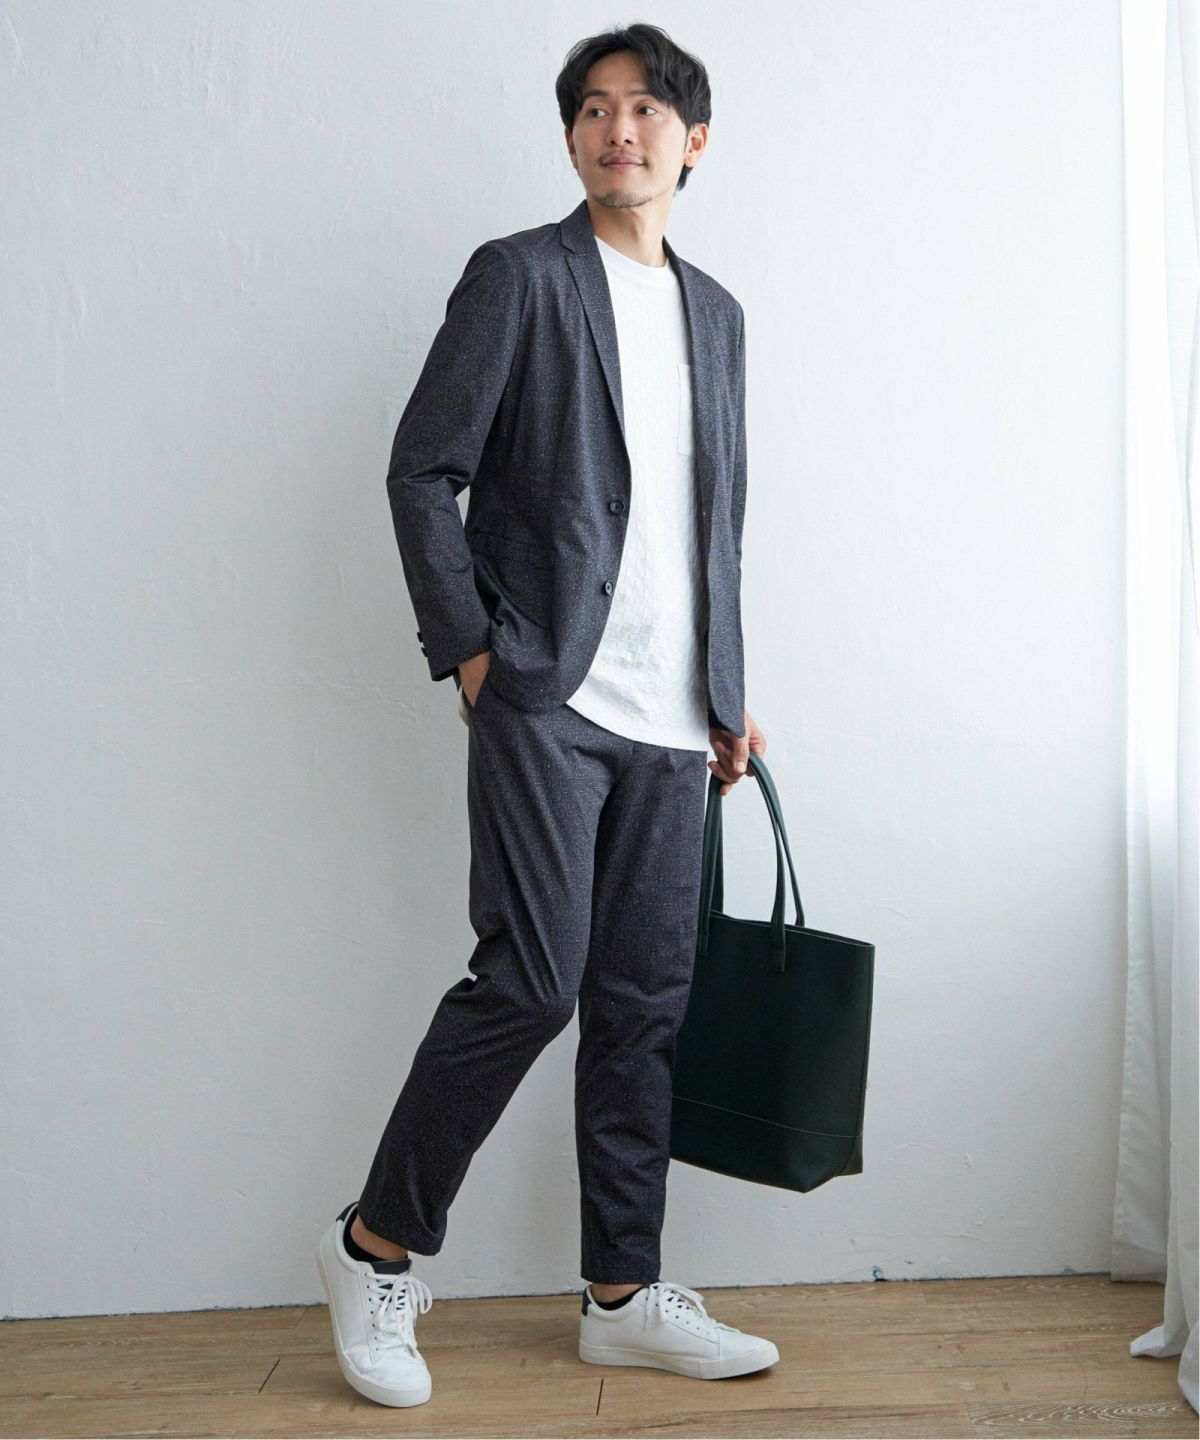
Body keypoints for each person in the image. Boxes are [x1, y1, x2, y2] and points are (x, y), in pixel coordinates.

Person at [315, 22, 775, 1408]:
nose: (617, 129)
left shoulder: (718, 317)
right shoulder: (521, 277)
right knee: (532, 979)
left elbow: (711, 526)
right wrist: (473, 656)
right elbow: (422, 469)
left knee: (644, 1005)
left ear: (696, 140)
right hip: (547, 699)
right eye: (592, 108)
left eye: (647, 109)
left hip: (674, 722)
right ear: (572, 136)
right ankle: (374, 1246)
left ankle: (621, 1294)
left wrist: (728, 693)